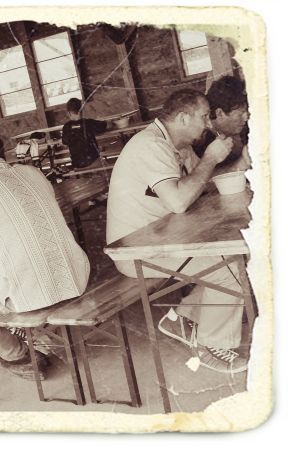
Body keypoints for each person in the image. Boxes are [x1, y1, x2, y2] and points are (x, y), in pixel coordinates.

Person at [106, 89, 245, 374]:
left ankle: (181, 319)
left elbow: (200, 184)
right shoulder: (150, 146)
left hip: (161, 240)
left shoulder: (178, 145)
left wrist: (240, 162)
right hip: (135, 251)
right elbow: (179, 202)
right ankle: (210, 346)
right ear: (183, 118)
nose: (208, 124)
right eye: (203, 117)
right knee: (227, 270)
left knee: (231, 261)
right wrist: (210, 158)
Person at [0, 128, 91, 379]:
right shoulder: (32, 172)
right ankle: (39, 339)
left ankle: (23, 358)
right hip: (76, 276)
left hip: (34, 290)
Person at [192, 75, 251, 173]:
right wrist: (242, 162)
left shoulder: (243, 127)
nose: (246, 117)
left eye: (246, 111)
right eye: (240, 113)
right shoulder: (200, 142)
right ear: (219, 113)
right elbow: (206, 179)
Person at [61, 98, 112, 171]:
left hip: (77, 165)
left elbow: (64, 142)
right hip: (93, 161)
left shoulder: (66, 127)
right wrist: (109, 121)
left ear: (69, 113)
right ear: (82, 111)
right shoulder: (88, 123)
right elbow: (108, 125)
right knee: (110, 168)